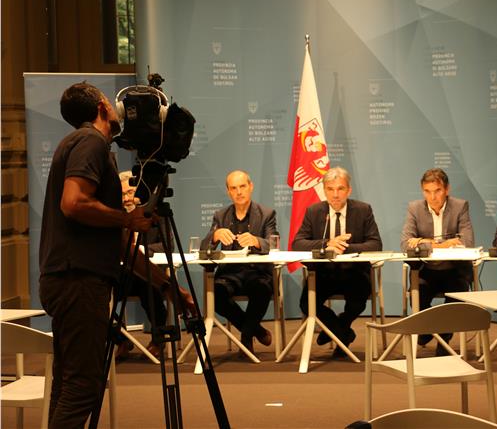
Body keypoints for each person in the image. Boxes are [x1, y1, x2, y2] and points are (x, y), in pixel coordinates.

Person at [38, 82, 192, 428]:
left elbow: (121, 244)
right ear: (103, 107)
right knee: (83, 386)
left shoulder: (80, 143)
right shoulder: (90, 141)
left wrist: (168, 287)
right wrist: (126, 218)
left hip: (69, 279)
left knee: (69, 383)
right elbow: (73, 203)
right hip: (78, 281)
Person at [292, 167, 383, 356]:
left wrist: (344, 247)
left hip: (354, 273)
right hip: (324, 273)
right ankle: (342, 333)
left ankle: (337, 329)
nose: (335, 194)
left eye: (340, 189)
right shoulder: (314, 211)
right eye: (330, 189)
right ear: (324, 190)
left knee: (357, 302)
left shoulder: (363, 210)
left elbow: (375, 244)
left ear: (349, 190)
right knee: (306, 304)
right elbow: (298, 243)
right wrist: (327, 244)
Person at [201, 170, 276, 357]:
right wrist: (215, 236)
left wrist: (256, 241)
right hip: (229, 274)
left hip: (257, 272)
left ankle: (246, 337)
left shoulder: (266, 214)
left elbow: (273, 244)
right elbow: (204, 249)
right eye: (234, 188)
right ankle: (255, 330)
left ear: (251, 187)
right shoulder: (220, 215)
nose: (239, 192)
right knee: (215, 294)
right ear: (228, 192)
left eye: (242, 186)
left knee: (262, 290)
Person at [400, 167, 475, 354]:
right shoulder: (414, 208)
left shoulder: (460, 206)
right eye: (427, 191)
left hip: (455, 270)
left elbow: (467, 242)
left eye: (437, 191)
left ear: (447, 189)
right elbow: (405, 244)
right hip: (427, 270)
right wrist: (445, 243)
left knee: (455, 300)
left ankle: (443, 343)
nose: (432, 197)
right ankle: (428, 331)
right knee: (418, 296)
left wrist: (423, 242)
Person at [115, 171, 169, 360]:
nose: (126, 199)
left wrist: (143, 250)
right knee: (97, 294)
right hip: (121, 276)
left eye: (130, 193)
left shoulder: (153, 214)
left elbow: (167, 245)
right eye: (122, 194)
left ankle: (158, 340)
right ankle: (121, 339)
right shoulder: (116, 217)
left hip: (147, 274)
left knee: (149, 286)